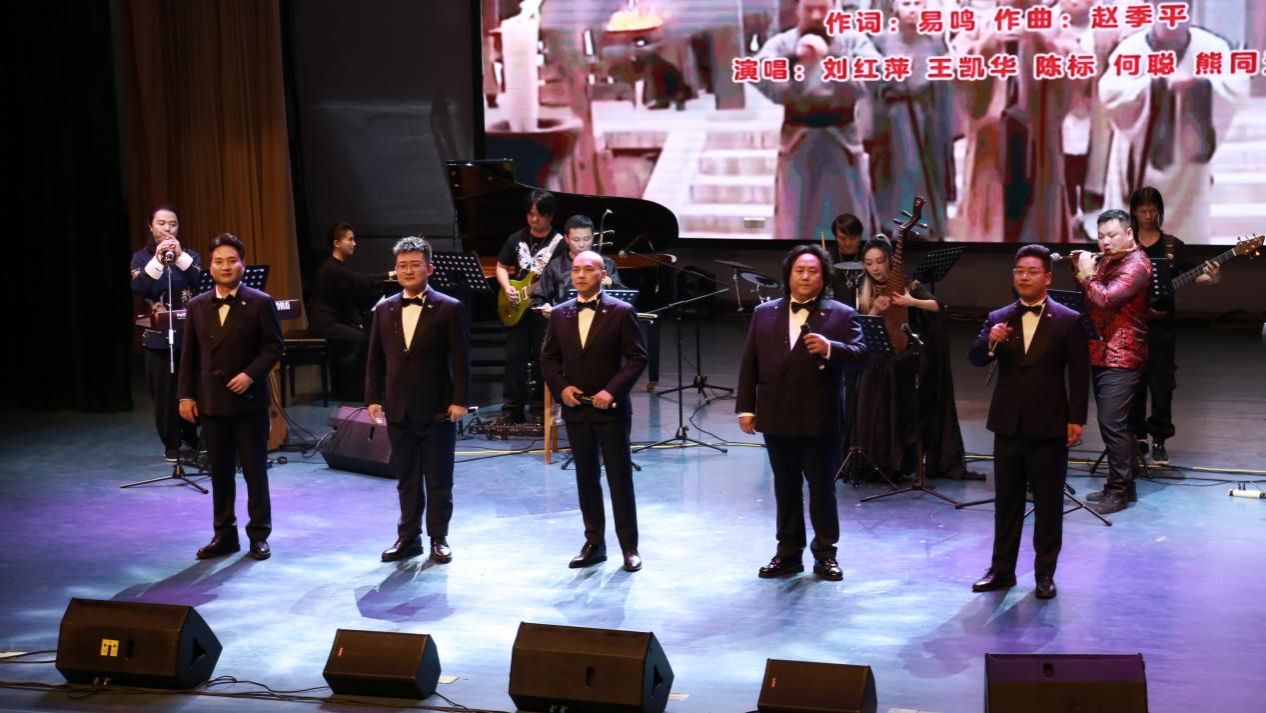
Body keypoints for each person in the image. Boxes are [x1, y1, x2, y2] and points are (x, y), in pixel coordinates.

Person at [737, 245, 867, 581]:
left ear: (823, 278)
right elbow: (750, 362)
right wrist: (746, 408)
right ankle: (788, 554)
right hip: (775, 413)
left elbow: (861, 354)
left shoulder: (841, 314)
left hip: (819, 415)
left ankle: (825, 554)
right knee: (785, 488)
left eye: (813, 271)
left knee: (822, 489)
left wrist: (830, 348)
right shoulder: (764, 312)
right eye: (800, 270)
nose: (806, 276)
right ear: (788, 275)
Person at [968, 245, 1089, 600]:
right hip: (1008, 424)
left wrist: (1076, 419)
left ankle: (1045, 574)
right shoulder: (999, 317)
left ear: (1047, 277)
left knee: (1049, 504)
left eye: (1032, 271)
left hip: (1050, 424)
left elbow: (1079, 375)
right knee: (1007, 503)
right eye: (1019, 271)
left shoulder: (1068, 319)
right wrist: (989, 342)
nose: (1024, 277)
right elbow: (975, 358)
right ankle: (1001, 570)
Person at [1099, 3, 1247, 245]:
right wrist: (1157, 85)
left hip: (1189, 157)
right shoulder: (1131, 49)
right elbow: (1111, 95)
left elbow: (1235, 87)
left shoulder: (1211, 47)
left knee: (1187, 238)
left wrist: (1197, 86)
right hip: (1139, 156)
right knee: (1133, 238)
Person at [178, 233, 284, 561]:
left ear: (243, 265)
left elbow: (274, 346)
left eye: (232, 260)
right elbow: (189, 355)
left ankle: (259, 535)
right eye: (219, 261)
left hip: (249, 401)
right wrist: (185, 396)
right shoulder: (197, 305)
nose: (225, 266)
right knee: (220, 473)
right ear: (210, 267)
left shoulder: (260, 302)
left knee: (255, 472)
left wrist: (250, 374)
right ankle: (224, 535)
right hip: (212, 402)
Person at [540, 250, 648, 572]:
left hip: (610, 409)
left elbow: (637, 358)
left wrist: (612, 391)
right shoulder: (560, 314)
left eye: (588, 270)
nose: (581, 275)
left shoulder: (621, 312)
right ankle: (594, 543)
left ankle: (629, 547)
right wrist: (562, 388)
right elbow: (548, 358)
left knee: (619, 478)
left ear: (602, 275)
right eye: (576, 270)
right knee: (586, 478)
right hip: (577, 410)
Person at [365, 237, 471, 564]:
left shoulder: (450, 308)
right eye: (402, 266)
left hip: (438, 408)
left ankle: (439, 538)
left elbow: (461, 359)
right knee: (407, 480)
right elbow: (375, 358)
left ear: (429, 268)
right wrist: (372, 398)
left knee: (439, 479)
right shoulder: (384, 309)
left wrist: (460, 400)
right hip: (399, 408)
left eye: (415, 265)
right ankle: (408, 538)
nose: (408, 271)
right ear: (395, 270)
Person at [952, 0, 1082, 242]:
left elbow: (1074, 64)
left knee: (1036, 210)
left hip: (1038, 128)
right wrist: (988, 43)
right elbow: (958, 67)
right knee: (993, 208)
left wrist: (1038, 40)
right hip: (992, 132)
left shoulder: (1053, 25)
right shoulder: (980, 24)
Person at [853, 237, 978, 481]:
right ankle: (880, 459)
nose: (875, 268)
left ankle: (900, 456)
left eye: (879, 261)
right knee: (870, 372)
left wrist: (912, 302)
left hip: (911, 350)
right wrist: (876, 309)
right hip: (882, 349)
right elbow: (863, 324)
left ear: (890, 261)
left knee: (894, 369)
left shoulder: (907, 282)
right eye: (869, 263)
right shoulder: (863, 286)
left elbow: (938, 306)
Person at [754, 0, 880, 240]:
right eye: (809, 9)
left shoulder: (852, 40)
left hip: (842, 142)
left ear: (835, 8)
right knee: (797, 221)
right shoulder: (783, 43)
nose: (815, 15)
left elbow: (875, 74)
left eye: (822, 9)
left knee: (847, 219)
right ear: (797, 9)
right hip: (797, 143)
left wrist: (831, 57)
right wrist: (793, 59)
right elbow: (760, 75)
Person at [1127, 187, 1220, 465]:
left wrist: (1212, 276)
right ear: (1134, 212)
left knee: (1162, 384)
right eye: (1142, 210)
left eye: (1152, 210)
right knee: (1133, 384)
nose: (1147, 215)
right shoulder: (1125, 243)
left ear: (1159, 210)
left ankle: (1159, 439)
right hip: (1130, 326)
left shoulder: (1172, 246)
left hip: (1161, 328)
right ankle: (1137, 437)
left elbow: (1195, 276)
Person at [1072, 209, 1152, 515]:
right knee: (1119, 425)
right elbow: (1089, 299)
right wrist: (1081, 271)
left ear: (1129, 234)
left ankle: (1118, 492)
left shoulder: (1137, 265)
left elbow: (1105, 298)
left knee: (1112, 424)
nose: (1105, 242)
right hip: (1101, 350)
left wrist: (1087, 273)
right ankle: (1123, 486)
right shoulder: (1108, 261)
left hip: (1123, 355)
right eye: (1101, 236)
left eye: (1112, 235)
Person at [870, 0, 956, 240]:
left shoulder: (936, 42)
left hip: (928, 117)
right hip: (893, 118)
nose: (912, 9)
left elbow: (945, 90)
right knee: (898, 171)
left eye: (918, 3)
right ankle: (894, 225)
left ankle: (928, 225)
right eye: (906, 3)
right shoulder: (881, 41)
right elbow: (872, 87)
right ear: (895, 8)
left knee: (927, 172)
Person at [130, 204, 202, 461]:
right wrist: (159, 260)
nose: (167, 228)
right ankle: (172, 443)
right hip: (158, 338)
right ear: (150, 226)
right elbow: (139, 287)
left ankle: (192, 438)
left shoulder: (190, 255)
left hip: (190, 335)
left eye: (172, 223)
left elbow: (202, 281)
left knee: (193, 388)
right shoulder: (141, 258)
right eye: (161, 223)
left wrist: (180, 256)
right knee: (164, 393)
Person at [495, 190, 564, 423]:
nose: (534, 219)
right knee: (514, 359)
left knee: (543, 360)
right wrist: (507, 287)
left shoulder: (559, 244)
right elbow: (501, 266)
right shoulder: (516, 238)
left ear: (550, 215)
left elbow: (561, 276)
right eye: (531, 214)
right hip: (517, 307)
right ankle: (512, 408)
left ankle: (540, 408)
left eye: (540, 215)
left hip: (544, 310)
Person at [307, 222, 391, 401]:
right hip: (324, 323)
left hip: (333, 319)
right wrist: (390, 275)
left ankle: (353, 388)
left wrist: (356, 320)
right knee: (361, 339)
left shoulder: (337, 267)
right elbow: (363, 282)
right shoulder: (332, 268)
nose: (354, 243)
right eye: (350, 239)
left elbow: (348, 298)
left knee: (363, 334)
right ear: (337, 243)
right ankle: (353, 392)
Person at [532, 214, 623, 317]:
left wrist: (612, 283)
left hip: (601, 321)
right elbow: (537, 298)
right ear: (567, 239)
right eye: (576, 240)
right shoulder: (555, 266)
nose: (582, 245)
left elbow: (624, 297)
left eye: (587, 239)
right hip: (565, 321)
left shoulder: (607, 263)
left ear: (593, 237)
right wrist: (544, 307)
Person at [828, 212, 864, 307]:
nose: (848, 243)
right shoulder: (827, 258)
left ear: (860, 236)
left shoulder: (868, 257)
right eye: (842, 238)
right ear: (836, 237)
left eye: (853, 238)